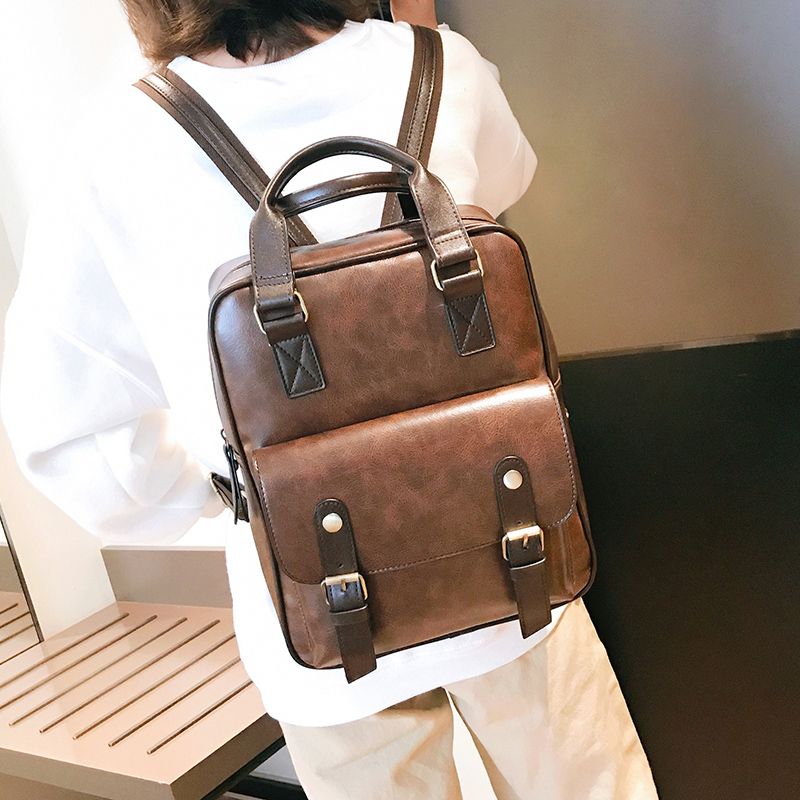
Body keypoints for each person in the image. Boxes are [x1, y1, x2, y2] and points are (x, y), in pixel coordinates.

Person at [0, 1, 658, 797]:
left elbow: (67, 436)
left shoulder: (112, 149)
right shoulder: (441, 67)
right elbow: (505, 178)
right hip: (511, 550)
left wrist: (231, 492)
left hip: (319, 607)